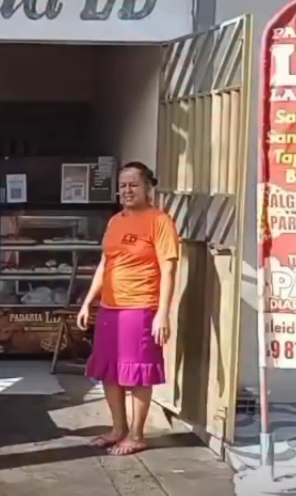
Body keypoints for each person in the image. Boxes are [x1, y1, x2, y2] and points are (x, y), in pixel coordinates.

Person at [77, 161, 179, 456]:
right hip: (110, 308)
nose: (127, 190)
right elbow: (105, 264)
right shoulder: (115, 221)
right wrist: (88, 301)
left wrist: (162, 314)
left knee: (137, 373)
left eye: (133, 185)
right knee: (109, 370)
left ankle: (136, 435)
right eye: (122, 185)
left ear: (148, 188)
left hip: (141, 307)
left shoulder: (159, 221)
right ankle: (117, 429)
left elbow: (168, 270)